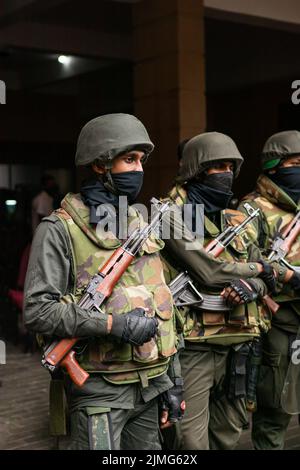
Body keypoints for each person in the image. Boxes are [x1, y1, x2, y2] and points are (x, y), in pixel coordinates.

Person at [24, 114, 184, 450]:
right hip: (100, 392)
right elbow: (38, 312)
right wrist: (113, 324)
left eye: (141, 160)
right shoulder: (59, 230)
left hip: (150, 383)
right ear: (100, 165)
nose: (139, 170)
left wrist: (172, 380)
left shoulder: (139, 223)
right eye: (130, 160)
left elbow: (165, 305)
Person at [160, 131, 279, 450]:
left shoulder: (235, 217)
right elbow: (208, 271)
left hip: (239, 340)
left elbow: (270, 275)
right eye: (218, 167)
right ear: (197, 170)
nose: (226, 174)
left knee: (228, 433)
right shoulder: (170, 216)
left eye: (230, 166)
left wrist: (251, 286)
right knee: (190, 440)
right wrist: (256, 270)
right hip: (196, 344)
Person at [239, 130, 300, 450]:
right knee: (274, 411)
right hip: (279, 323)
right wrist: (289, 276)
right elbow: (247, 262)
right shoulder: (253, 208)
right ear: (275, 166)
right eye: (296, 162)